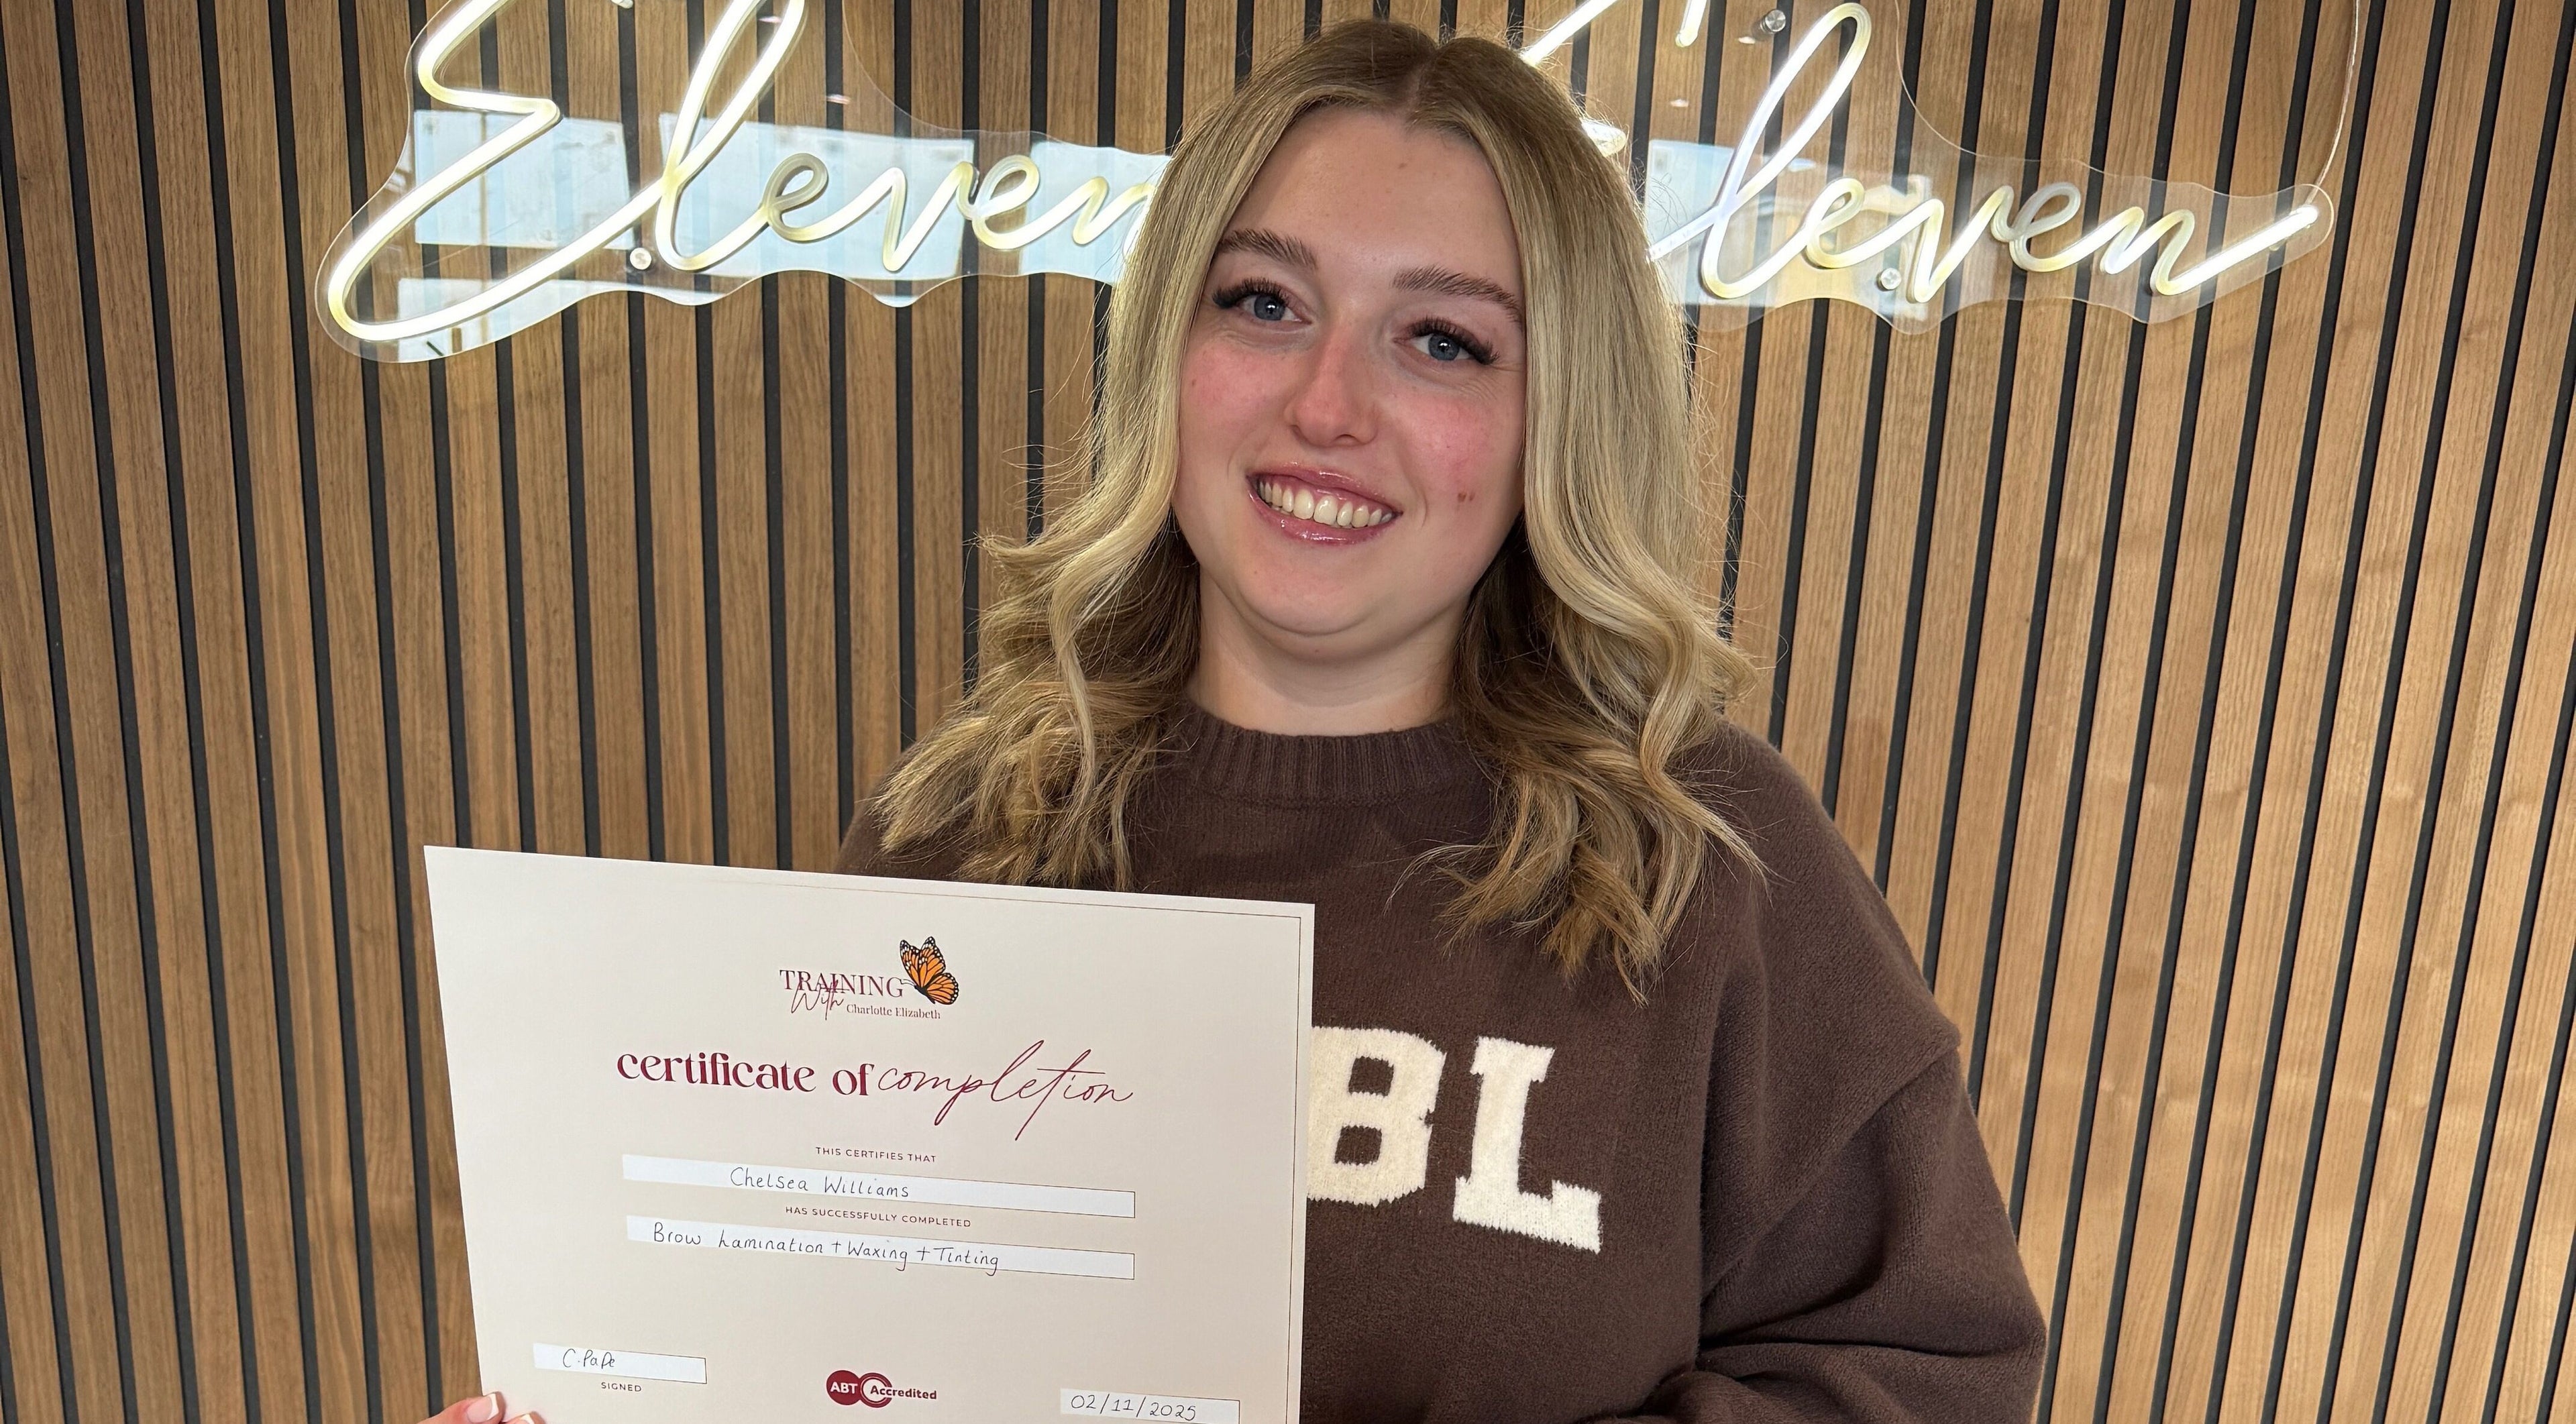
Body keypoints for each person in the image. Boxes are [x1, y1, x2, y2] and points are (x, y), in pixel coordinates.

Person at [416, 19, 2045, 1424]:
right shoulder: (962, 844)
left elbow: (1927, 1369)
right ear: (1167, 351)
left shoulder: (1707, 858)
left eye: (1442, 339)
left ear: (1557, 416)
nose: (1327, 404)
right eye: (1264, 303)